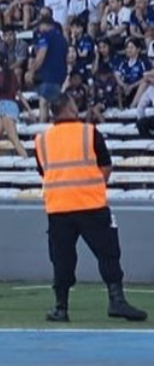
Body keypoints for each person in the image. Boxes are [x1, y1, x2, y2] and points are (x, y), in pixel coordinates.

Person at [35, 92, 146, 323]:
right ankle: (117, 301)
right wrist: (93, 186)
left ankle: (61, 307)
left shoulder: (42, 140)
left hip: (58, 209)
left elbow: (44, 171)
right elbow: (106, 165)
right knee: (108, 253)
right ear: (69, 109)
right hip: (90, 205)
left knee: (62, 259)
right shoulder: (89, 133)